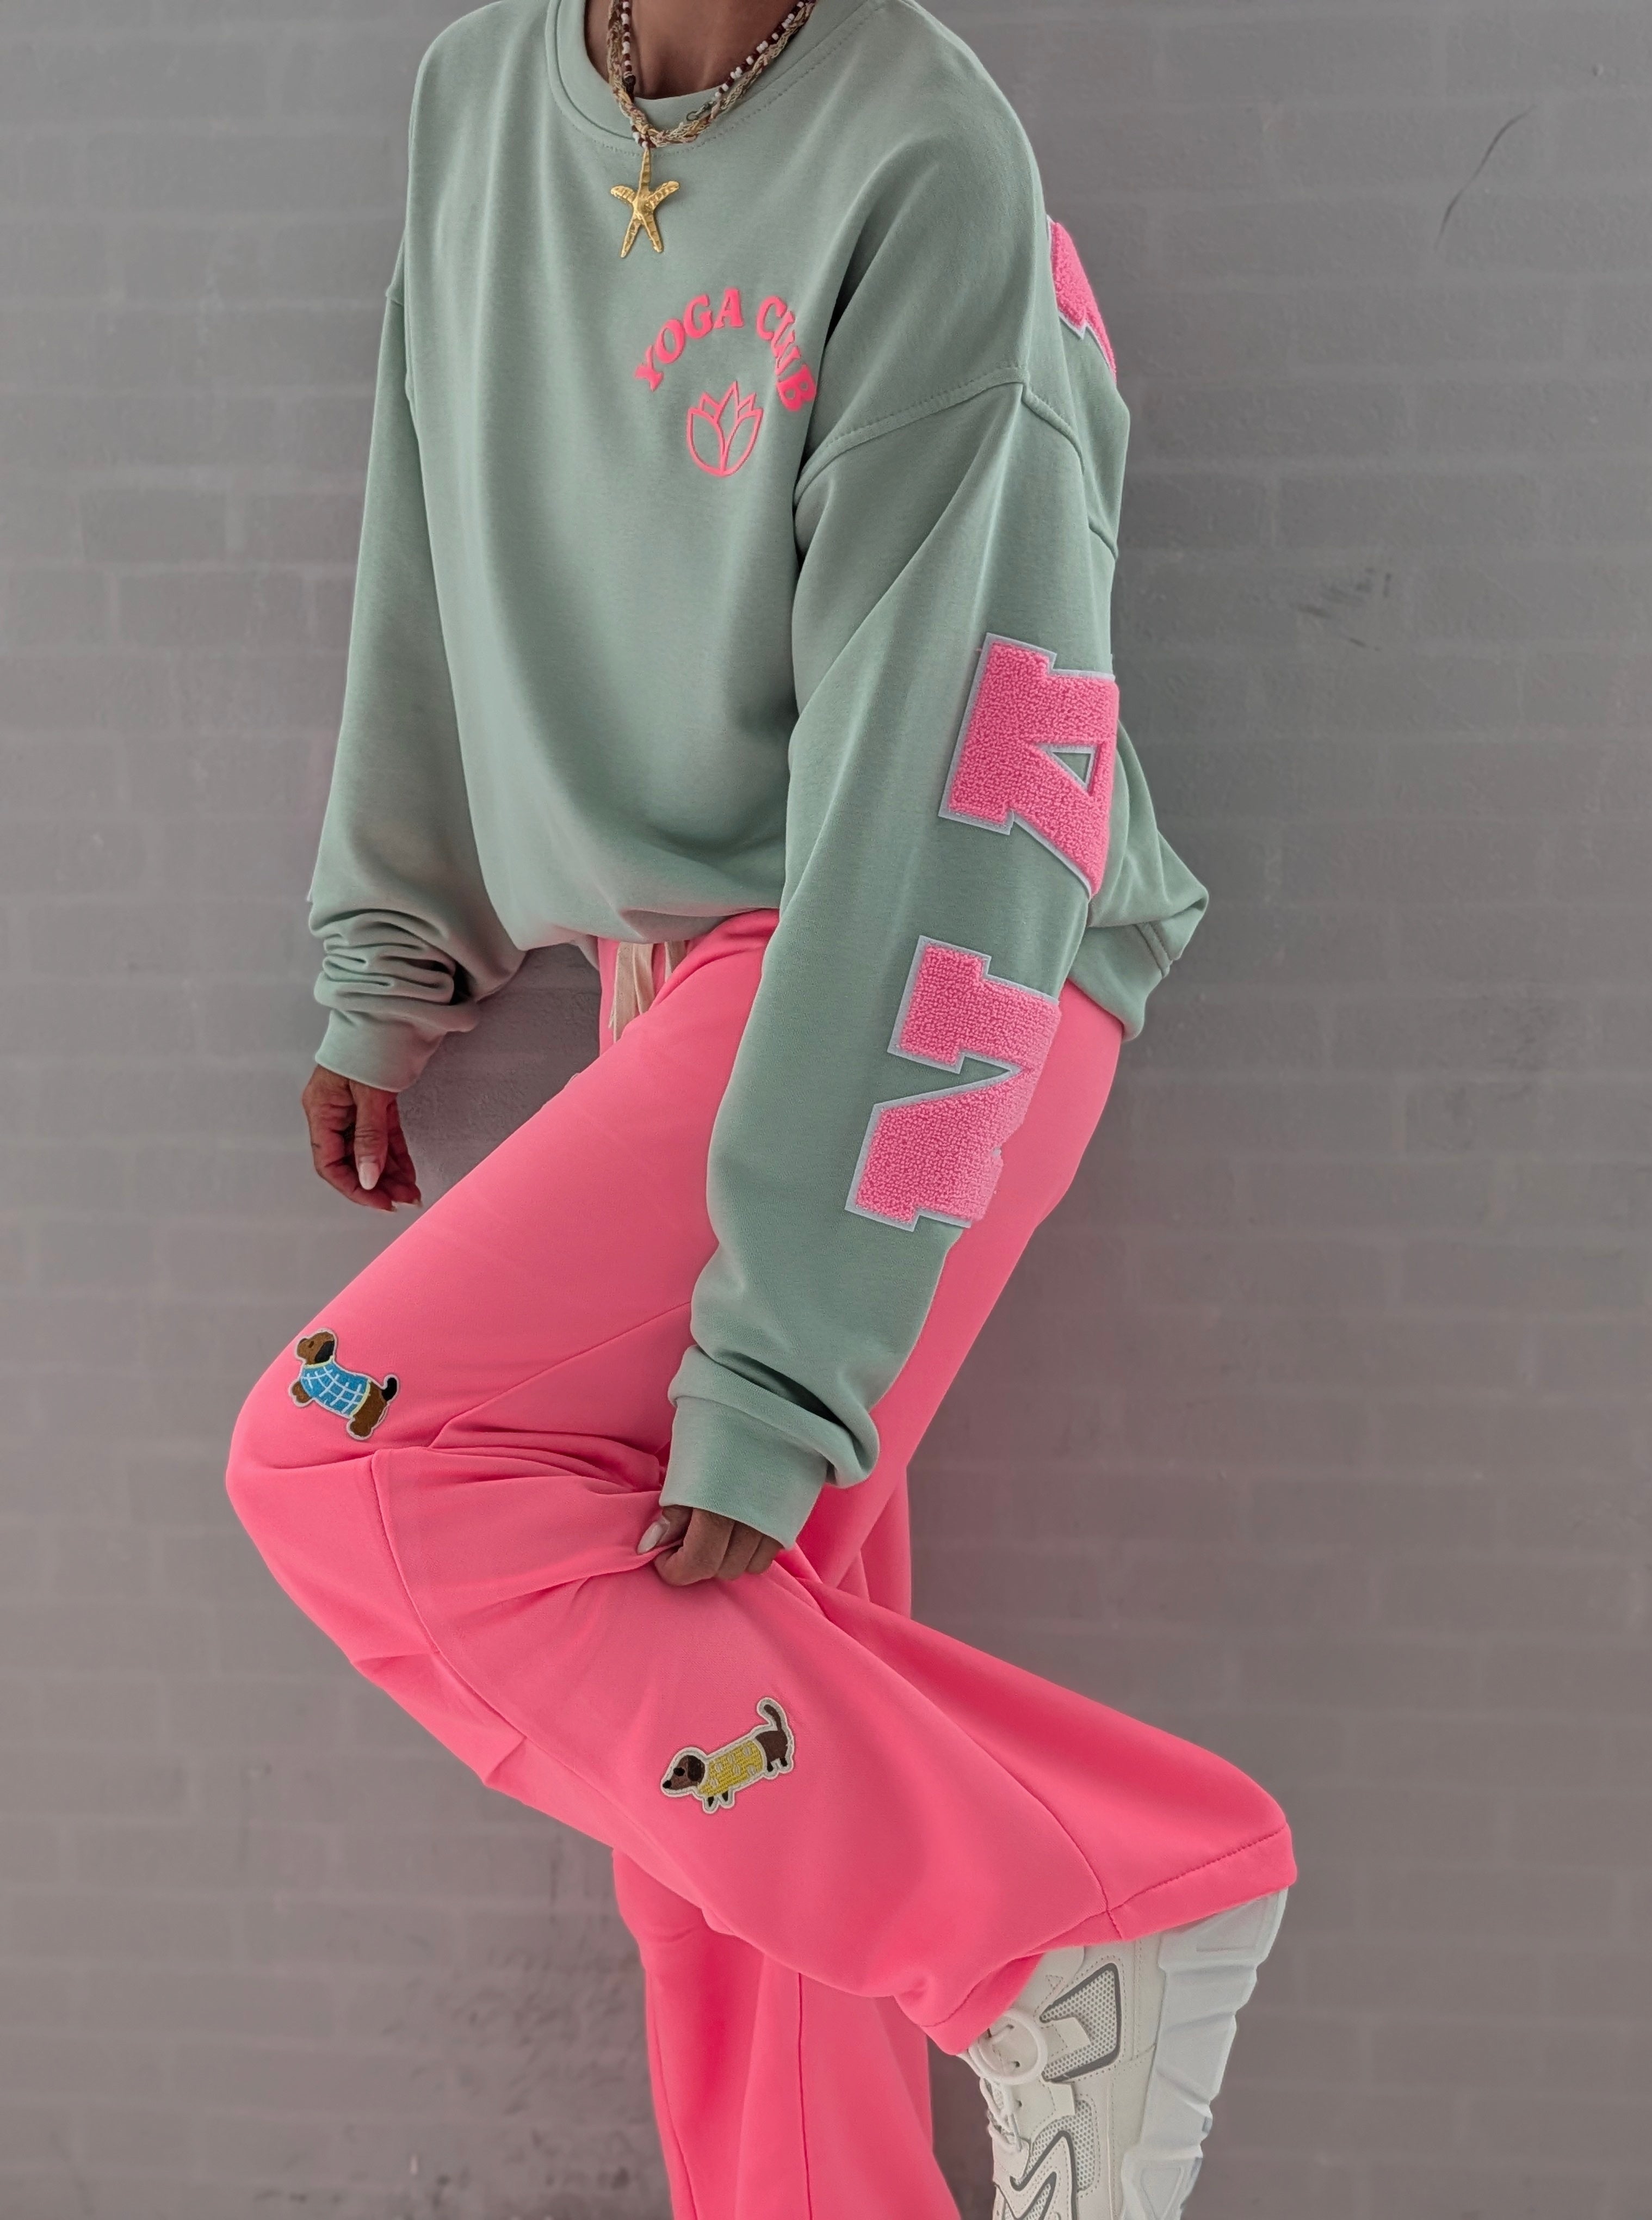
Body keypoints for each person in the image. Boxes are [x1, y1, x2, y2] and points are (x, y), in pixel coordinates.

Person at [224, 0, 1298, 2213]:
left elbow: (966, 760)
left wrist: (788, 1352)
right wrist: (390, 951)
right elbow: (431, 535)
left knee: (346, 1448)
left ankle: (1086, 1909)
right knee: (721, 1812)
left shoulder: (926, 153)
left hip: (924, 975)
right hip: (684, 987)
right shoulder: (478, 95)